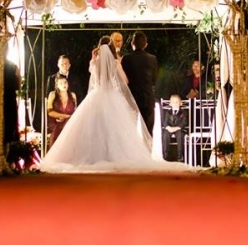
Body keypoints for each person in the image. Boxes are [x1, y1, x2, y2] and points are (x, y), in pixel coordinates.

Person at [39, 41, 186, 172]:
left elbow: (93, 76)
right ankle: (112, 156)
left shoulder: (94, 64)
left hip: (96, 97)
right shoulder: (114, 64)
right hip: (111, 96)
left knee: (95, 129)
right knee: (114, 129)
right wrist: (118, 64)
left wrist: (93, 58)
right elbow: (125, 80)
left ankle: (95, 156)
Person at [121, 31, 158, 135]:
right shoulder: (152, 59)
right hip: (148, 98)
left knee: (130, 131)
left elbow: (124, 79)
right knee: (148, 131)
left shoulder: (127, 59)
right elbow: (154, 79)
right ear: (146, 44)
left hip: (132, 98)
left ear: (132, 43)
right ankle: (147, 151)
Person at [46, 75, 77, 149]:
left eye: (65, 82)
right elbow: (50, 112)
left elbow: (75, 112)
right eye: (61, 83)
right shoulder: (52, 94)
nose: (64, 85)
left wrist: (69, 118)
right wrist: (66, 116)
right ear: (57, 85)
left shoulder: (73, 95)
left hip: (70, 124)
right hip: (56, 123)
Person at [162, 94, 188, 162]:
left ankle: (180, 155)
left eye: (177, 102)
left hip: (179, 129)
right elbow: (164, 122)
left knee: (180, 135)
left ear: (180, 103)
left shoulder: (183, 112)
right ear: (170, 103)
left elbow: (184, 122)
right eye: (173, 102)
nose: (175, 104)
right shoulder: (167, 112)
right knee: (165, 134)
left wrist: (177, 128)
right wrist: (168, 127)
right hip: (169, 128)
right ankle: (166, 154)